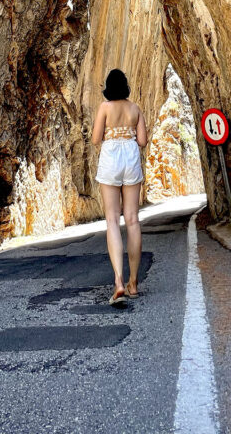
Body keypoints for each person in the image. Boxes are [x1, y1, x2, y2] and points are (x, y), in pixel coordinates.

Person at [91, 68, 148, 306]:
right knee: (132, 220)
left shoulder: (105, 107)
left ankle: (118, 281)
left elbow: (96, 139)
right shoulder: (135, 109)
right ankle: (134, 283)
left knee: (112, 220)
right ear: (125, 86)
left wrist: (111, 135)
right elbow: (142, 141)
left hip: (111, 158)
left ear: (108, 87)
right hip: (131, 157)